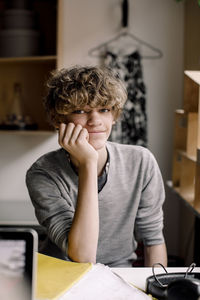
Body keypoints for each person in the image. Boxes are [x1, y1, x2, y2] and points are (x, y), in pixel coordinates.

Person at [26, 66, 167, 268]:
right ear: (59, 120)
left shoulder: (141, 162)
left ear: (114, 115)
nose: (95, 121)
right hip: (62, 274)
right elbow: (83, 257)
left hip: (119, 272)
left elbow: (154, 240)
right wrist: (88, 163)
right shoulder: (42, 173)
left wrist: (158, 289)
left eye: (104, 110)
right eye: (80, 111)